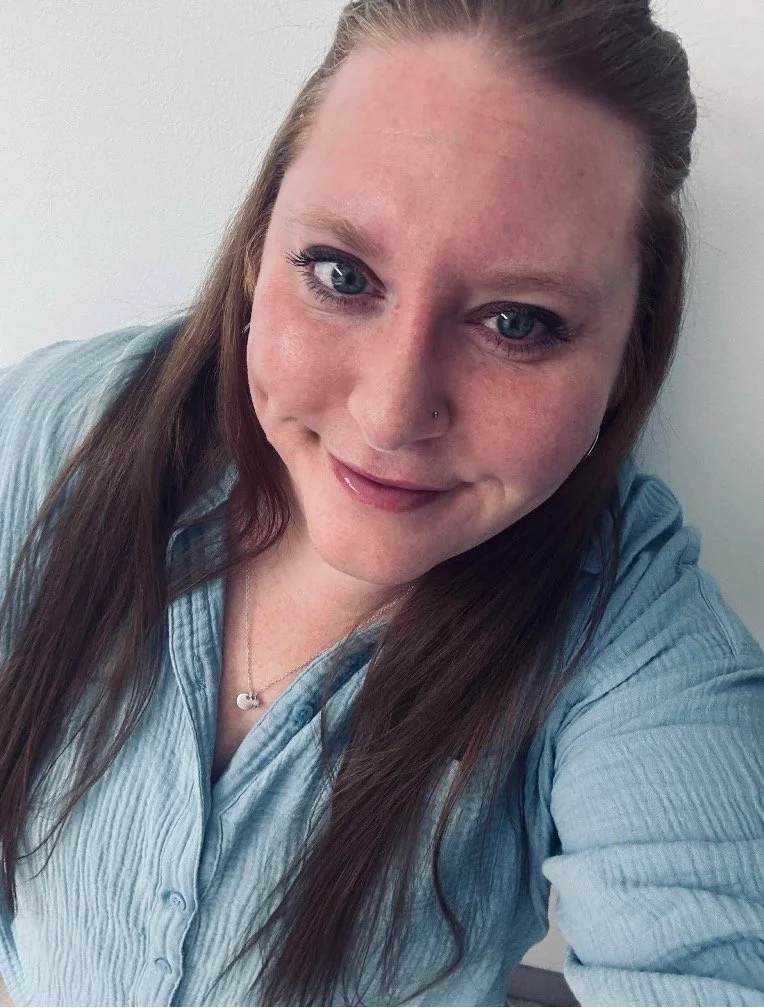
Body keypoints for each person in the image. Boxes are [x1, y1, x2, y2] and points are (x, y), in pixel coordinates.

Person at [1, 0, 762, 1005]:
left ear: (627, 356)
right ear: (254, 251)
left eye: (516, 322)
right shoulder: (63, 430)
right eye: (339, 273)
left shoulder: (625, 623)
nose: (392, 412)